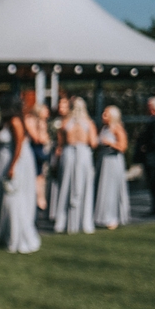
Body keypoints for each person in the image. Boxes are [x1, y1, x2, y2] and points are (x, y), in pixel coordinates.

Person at [0, 95, 41, 254]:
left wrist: (12, 166)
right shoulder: (10, 122)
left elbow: (19, 145)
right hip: (11, 161)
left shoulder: (16, 121)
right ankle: (9, 235)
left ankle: (19, 237)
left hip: (18, 162)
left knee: (14, 198)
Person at [53, 97, 97, 234]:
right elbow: (94, 143)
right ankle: (83, 221)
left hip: (69, 153)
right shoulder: (89, 123)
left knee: (66, 185)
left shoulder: (65, 122)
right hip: (82, 153)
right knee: (84, 186)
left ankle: (63, 221)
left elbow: (60, 144)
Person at [94, 105, 131, 229]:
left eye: (106, 114)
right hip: (103, 161)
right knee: (102, 188)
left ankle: (113, 217)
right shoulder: (104, 128)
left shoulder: (117, 128)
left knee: (111, 189)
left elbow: (123, 146)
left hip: (113, 161)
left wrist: (110, 143)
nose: (103, 116)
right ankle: (102, 216)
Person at [46, 94, 70, 224]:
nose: (62, 107)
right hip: (53, 150)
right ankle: (52, 210)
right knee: (53, 179)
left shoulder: (69, 121)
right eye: (60, 104)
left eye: (64, 105)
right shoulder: (53, 120)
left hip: (63, 152)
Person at [25, 103, 51, 213]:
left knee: (40, 176)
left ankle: (40, 199)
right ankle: (36, 199)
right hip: (33, 150)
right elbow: (37, 138)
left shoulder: (43, 122)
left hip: (41, 150)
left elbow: (45, 138)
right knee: (35, 175)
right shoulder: (30, 120)